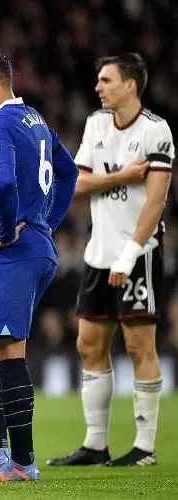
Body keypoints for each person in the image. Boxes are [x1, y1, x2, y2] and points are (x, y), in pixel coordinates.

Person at [47, 53, 173, 468]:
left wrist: (130, 254)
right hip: (98, 254)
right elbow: (77, 183)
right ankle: (95, 444)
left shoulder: (156, 132)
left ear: (130, 84)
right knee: (88, 344)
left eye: (106, 80)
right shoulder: (97, 124)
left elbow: (155, 203)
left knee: (139, 347)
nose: (98, 87)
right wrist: (121, 176)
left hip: (138, 253)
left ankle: (144, 448)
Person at [0, 50, 78, 482]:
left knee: (7, 347)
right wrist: (47, 222)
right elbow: (69, 174)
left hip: (14, 251)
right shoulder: (36, 120)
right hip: (36, 247)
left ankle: (23, 464)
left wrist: (9, 228)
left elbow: (5, 181)